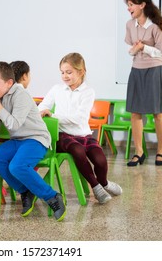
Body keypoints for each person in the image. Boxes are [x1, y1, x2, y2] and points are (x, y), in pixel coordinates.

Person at [0, 62, 66, 221]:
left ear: (9, 83)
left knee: (17, 166)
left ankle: (52, 196)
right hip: (17, 140)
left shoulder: (20, 94)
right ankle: (25, 190)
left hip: (36, 139)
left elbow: (14, 124)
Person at [38, 52, 122, 204]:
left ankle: (104, 183)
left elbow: (80, 119)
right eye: (62, 72)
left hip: (84, 134)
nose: (65, 76)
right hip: (63, 135)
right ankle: (96, 187)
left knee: (101, 160)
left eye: (69, 72)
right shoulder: (57, 89)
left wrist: (53, 115)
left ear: (81, 71)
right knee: (78, 151)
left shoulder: (88, 92)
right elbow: (43, 106)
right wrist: (43, 111)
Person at [124, 0, 162, 167]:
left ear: (142, 5)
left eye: (131, 5)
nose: (129, 8)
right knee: (135, 112)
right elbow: (131, 48)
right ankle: (139, 153)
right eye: (128, 5)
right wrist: (136, 49)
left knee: (158, 113)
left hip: (155, 71)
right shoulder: (129, 25)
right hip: (136, 70)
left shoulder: (156, 26)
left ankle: (160, 152)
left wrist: (145, 47)